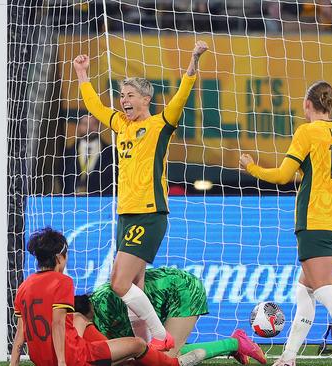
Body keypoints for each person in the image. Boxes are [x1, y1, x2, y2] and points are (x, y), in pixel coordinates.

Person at [72, 40, 208, 350]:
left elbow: (182, 96)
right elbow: (95, 106)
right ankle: (144, 349)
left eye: (130, 95)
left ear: (146, 98)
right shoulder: (120, 125)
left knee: (118, 284)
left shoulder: (160, 125)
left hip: (149, 213)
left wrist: (193, 59)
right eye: (121, 96)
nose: (124, 101)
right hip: (126, 213)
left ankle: (161, 337)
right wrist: (82, 74)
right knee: (135, 285)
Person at [239, 81, 332, 366]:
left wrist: (251, 167)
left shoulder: (307, 132)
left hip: (315, 220)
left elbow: (282, 176)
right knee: (305, 288)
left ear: (307, 104)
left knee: (324, 287)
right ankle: (289, 357)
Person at [9, 227, 206, 366]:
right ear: (60, 257)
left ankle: (116, 356)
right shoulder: (62, 282)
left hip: (42, 360)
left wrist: (14, 363)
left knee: (78, 318)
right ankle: (174, 364)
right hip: (73, 358)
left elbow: (20, 334)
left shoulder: (25, 286)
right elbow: (58, 325)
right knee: (138, 345)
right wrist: (62, 362)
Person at [74, 267, 267, 365]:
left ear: (82, 316)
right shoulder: (95, 313)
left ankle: (234, 343)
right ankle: (234, 344)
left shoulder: (105, 306)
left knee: (163, 360)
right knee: (156, 358)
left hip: (182, 291)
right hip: (164, 302)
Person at [62, 114, 115, 195]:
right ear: (78, 126)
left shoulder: (112, 153)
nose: (89, 128)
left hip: (102, 203)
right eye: (85, 124)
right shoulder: (66, 154)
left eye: (93, 124)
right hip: (72, 203)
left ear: (100, 127)